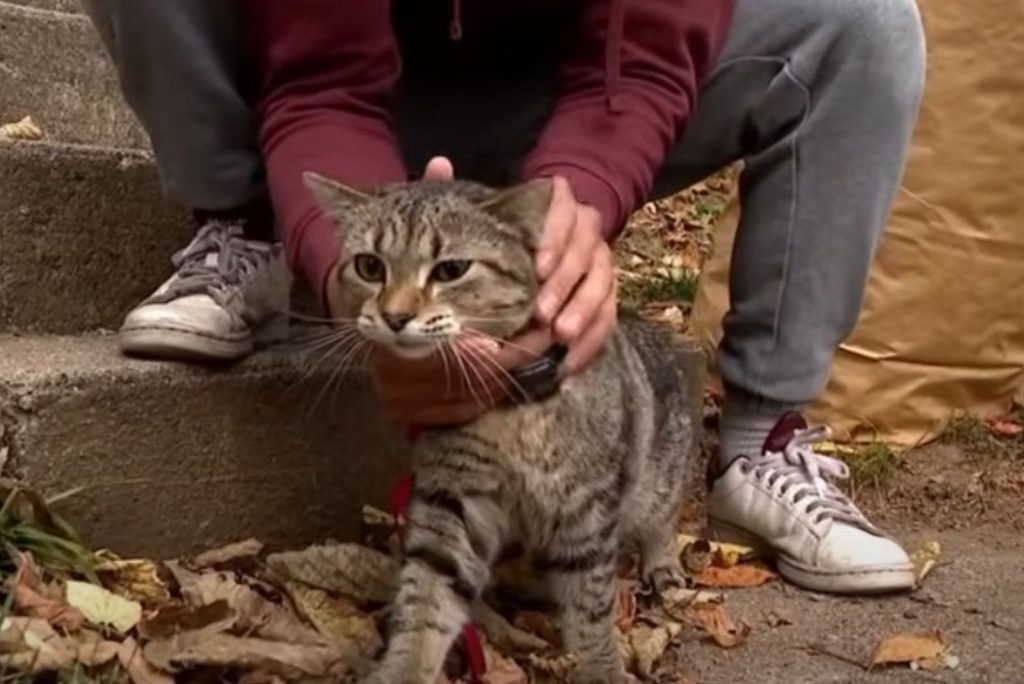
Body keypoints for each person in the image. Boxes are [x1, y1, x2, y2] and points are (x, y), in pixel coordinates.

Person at [81, 0, 926, 594]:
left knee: (865, 22)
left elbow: (641, 60)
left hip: (553, 94)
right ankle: (247, 224)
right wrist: (347, 268)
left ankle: (762, 436)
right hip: (329, 110)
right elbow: (321, 82)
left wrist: (572, 212)